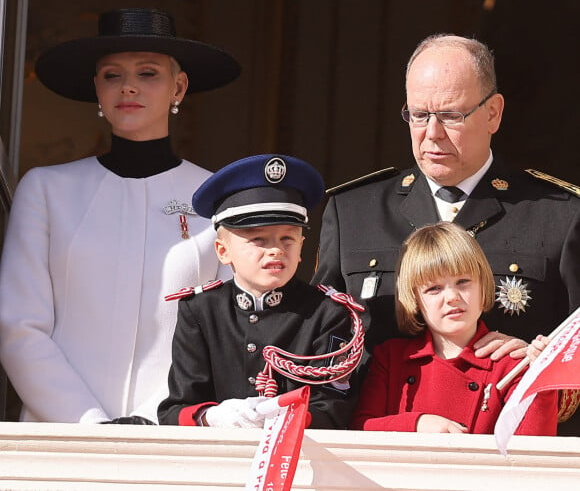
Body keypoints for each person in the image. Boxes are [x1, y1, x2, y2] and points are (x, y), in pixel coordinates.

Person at [312, 33, 580, 432]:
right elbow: (320, 347)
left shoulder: (557, 215)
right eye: (418, 115)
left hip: (509, 457)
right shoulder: (355, 212)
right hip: (379, 457)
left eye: (451, 115)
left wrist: (546, 365)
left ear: (493, 113)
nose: (432, 133)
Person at [0, 7, 241, 424]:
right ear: (97, 88)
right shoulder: (46, 190)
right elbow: (18, 324)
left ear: (178, 87)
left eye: (148, 73)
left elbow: (226, 330)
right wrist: (86, 422)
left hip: (174, 435)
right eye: (112, 75)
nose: (128, 87)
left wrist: (150, 420)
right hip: (59, 437)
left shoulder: (219, 197)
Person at [158, 154, 362, 429]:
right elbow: (176, 410)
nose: (276, 249)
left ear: (302, 246)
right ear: (223, 251)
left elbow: (333, 409)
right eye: (258, 239)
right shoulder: (201, 311)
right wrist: (212, 416)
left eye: (287, 238)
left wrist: (281, 419)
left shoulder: (327, 313)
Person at [350, 222, 558, 435]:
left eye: (463, 282)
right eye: (434, 288)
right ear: (414, 299)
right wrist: (417, 424)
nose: (452, 297)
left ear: (483, 285)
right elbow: (362, 428)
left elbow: (533, 446)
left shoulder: (510, 363)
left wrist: (541, 379)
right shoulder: (391, 357)